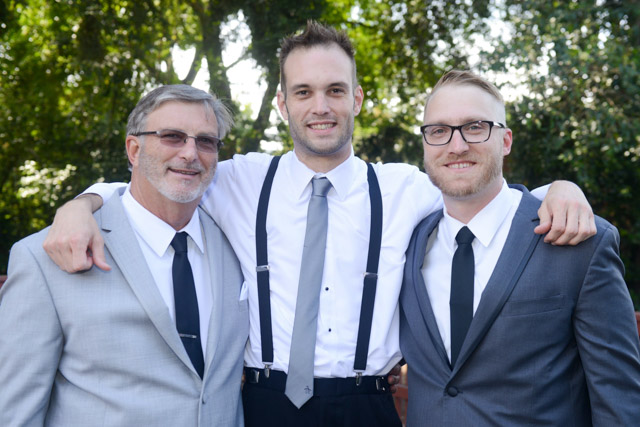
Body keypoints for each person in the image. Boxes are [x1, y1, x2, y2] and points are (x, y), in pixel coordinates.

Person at [42, 22, 596, 426]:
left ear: (356, 97)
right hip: (261, 404)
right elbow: (154, 181)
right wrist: (81, 204)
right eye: (303, 92)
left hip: (369, 404)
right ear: (283, 104)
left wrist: (556, 190)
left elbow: (481, 186)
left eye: (334, 90)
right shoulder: (237, 179)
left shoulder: (405, 187)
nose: (320, 106)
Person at [399, 70, 640, 426]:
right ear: (425, 144)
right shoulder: (406, 242)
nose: (457, 145)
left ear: (506, 140)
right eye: (439, 131)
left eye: (475, 127)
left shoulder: (578, 241)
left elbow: (619, 397)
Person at [0, 85, 249, 426]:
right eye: (172, 136)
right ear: (134, 149)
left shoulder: (239, 243)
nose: (191, 153)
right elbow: (14, 412)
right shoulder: (46, 257)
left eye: (205, 141)